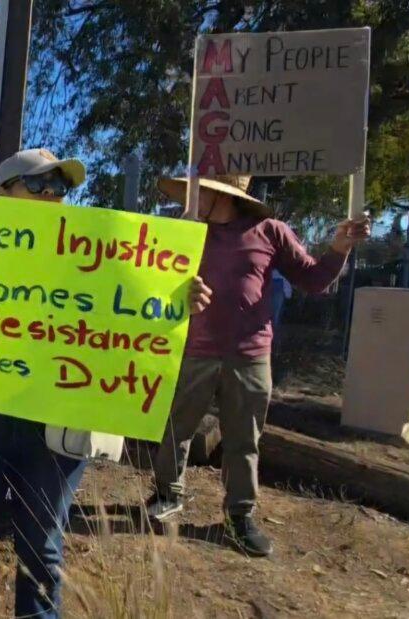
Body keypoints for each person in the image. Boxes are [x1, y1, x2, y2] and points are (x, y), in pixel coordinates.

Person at [0, 148, 211, 618]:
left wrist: (179, 299)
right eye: (37, 184)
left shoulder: (94, 252)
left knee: (42, 549)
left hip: (57, 428)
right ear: (3, 191)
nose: (51, 196)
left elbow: (139, 310)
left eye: (60, 188)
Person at [147, 175, 370, 557]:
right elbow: (150, 285)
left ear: (223, 194)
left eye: (196, 191)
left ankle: (239, 516)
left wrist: (339, 248)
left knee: (244, 439)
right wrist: (174, 292)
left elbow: (313, 280)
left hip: (251, 355)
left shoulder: (271, 231)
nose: (189, 198)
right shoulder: (182, 231)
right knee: (176, 426)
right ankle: (167, 492)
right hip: (191, 350)